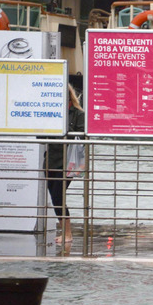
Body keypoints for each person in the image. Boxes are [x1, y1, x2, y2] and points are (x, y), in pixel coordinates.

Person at [45, 85, 85, 245]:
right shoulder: (49, 112)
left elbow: (82, 137)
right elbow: (39, 135)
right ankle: (65, 232)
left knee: (58, 196)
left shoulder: (78, 113)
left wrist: (65, 129)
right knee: (55, 198)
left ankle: (68, 234)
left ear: (69, 96)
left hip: (68, 162)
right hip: (51, 160)